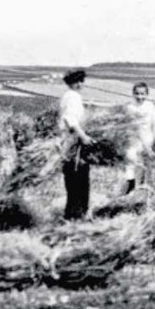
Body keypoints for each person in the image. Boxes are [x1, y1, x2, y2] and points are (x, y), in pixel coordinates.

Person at [59, 69, 94, 219]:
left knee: (73, 180)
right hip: (74, 143)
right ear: (71, 83)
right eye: (76, 81)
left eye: (81, 81)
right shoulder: (73, 97)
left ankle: (72, 214)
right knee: (79, 180)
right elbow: (70, 119)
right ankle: (77, 215)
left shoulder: (68, 96)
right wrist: (84, 136)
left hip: (68, 142)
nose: (80, 84)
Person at [122, 82, 155, 194]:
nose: (139, 97)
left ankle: (142, 191)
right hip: (134, 140)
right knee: (131, 164)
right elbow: (136, 128)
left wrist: (153, 142)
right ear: (133, 94)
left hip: (148, 139)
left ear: (147, 94)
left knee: (145, 167)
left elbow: (154, 124)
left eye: (142, 94)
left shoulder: (150, 106)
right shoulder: (130, 107)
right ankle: (129, 190)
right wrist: (146, 146)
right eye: (137, 94)